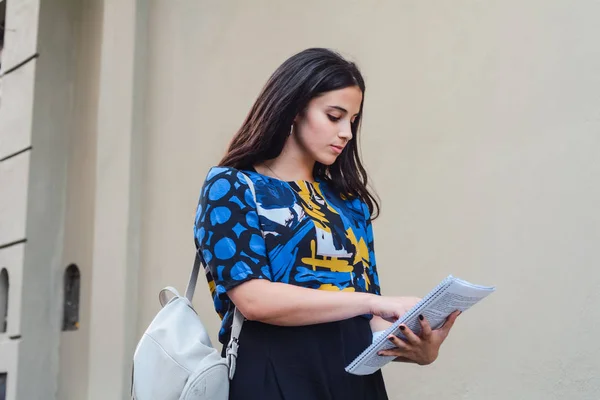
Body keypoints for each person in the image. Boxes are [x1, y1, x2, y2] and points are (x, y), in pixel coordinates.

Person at [194, 48, 460, 400]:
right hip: (272, 375)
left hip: (354, 380)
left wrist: (419, 346)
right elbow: (254, 300)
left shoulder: (349, 202)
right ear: (293, 109)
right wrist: (370, 303)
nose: (347, 132)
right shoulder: (232, 186)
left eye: (352, 120)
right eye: (334, 116)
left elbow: (365, 320)